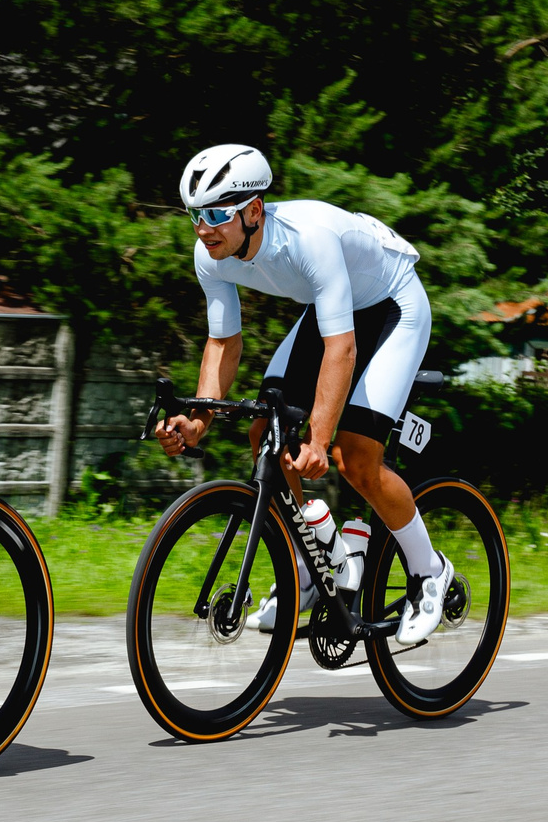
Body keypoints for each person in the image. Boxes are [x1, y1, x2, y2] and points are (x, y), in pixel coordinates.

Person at [150, 144, 457, 646]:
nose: (203, 228)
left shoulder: (307, 238)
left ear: (253, 211)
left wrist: (318, 438)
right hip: (334, 310)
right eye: (194, 215)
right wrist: (198, 420)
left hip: (393, 304)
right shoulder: (212, 255)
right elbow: (224, 341)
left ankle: (429, 572)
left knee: (355, 459)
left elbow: (343, 347)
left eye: (215, 214)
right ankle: (311, 571)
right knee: (264, 434)